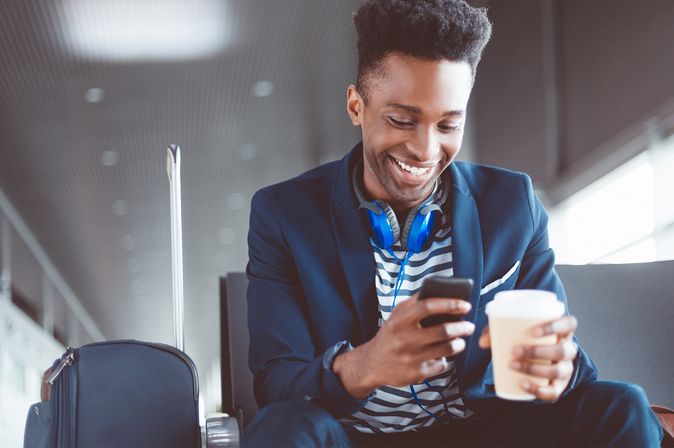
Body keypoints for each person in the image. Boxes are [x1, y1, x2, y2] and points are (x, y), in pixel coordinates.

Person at [242, 0, 663, 446]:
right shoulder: (283, 214)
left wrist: (563, 365)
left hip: (485, 432)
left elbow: (566, 367)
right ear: (356, 106)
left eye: (447, 125)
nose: (425, 149)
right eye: (401, 120)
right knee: (282, 429)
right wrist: (366, 365)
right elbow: (276, 383)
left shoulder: (512, 204)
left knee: (622, 404)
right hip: (352, 436)